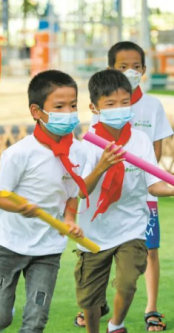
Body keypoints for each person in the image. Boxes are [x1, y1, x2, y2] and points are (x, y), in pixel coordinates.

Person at [75, 69, 174, 333]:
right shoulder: (86, 145)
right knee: (89, 297)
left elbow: (152, 184)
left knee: (128, 282)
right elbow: (79, 191)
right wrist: (101, 167)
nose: (119, 109)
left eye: (124, 102)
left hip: (131, 226)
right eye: (110, 104)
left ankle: (116, 325)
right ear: (94, 107)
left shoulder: (140, 140)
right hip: (93, 230)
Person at [0, 70, 87, 333]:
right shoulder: (19, 154)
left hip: (48, 248)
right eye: (59, 107)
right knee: (1, 318)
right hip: (8, 244)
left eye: (73, 106)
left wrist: (70, 219)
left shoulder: (77, 151)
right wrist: (20, 208)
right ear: (36, 111)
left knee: (36, 319)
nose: (69, 112)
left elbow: (71, 194)